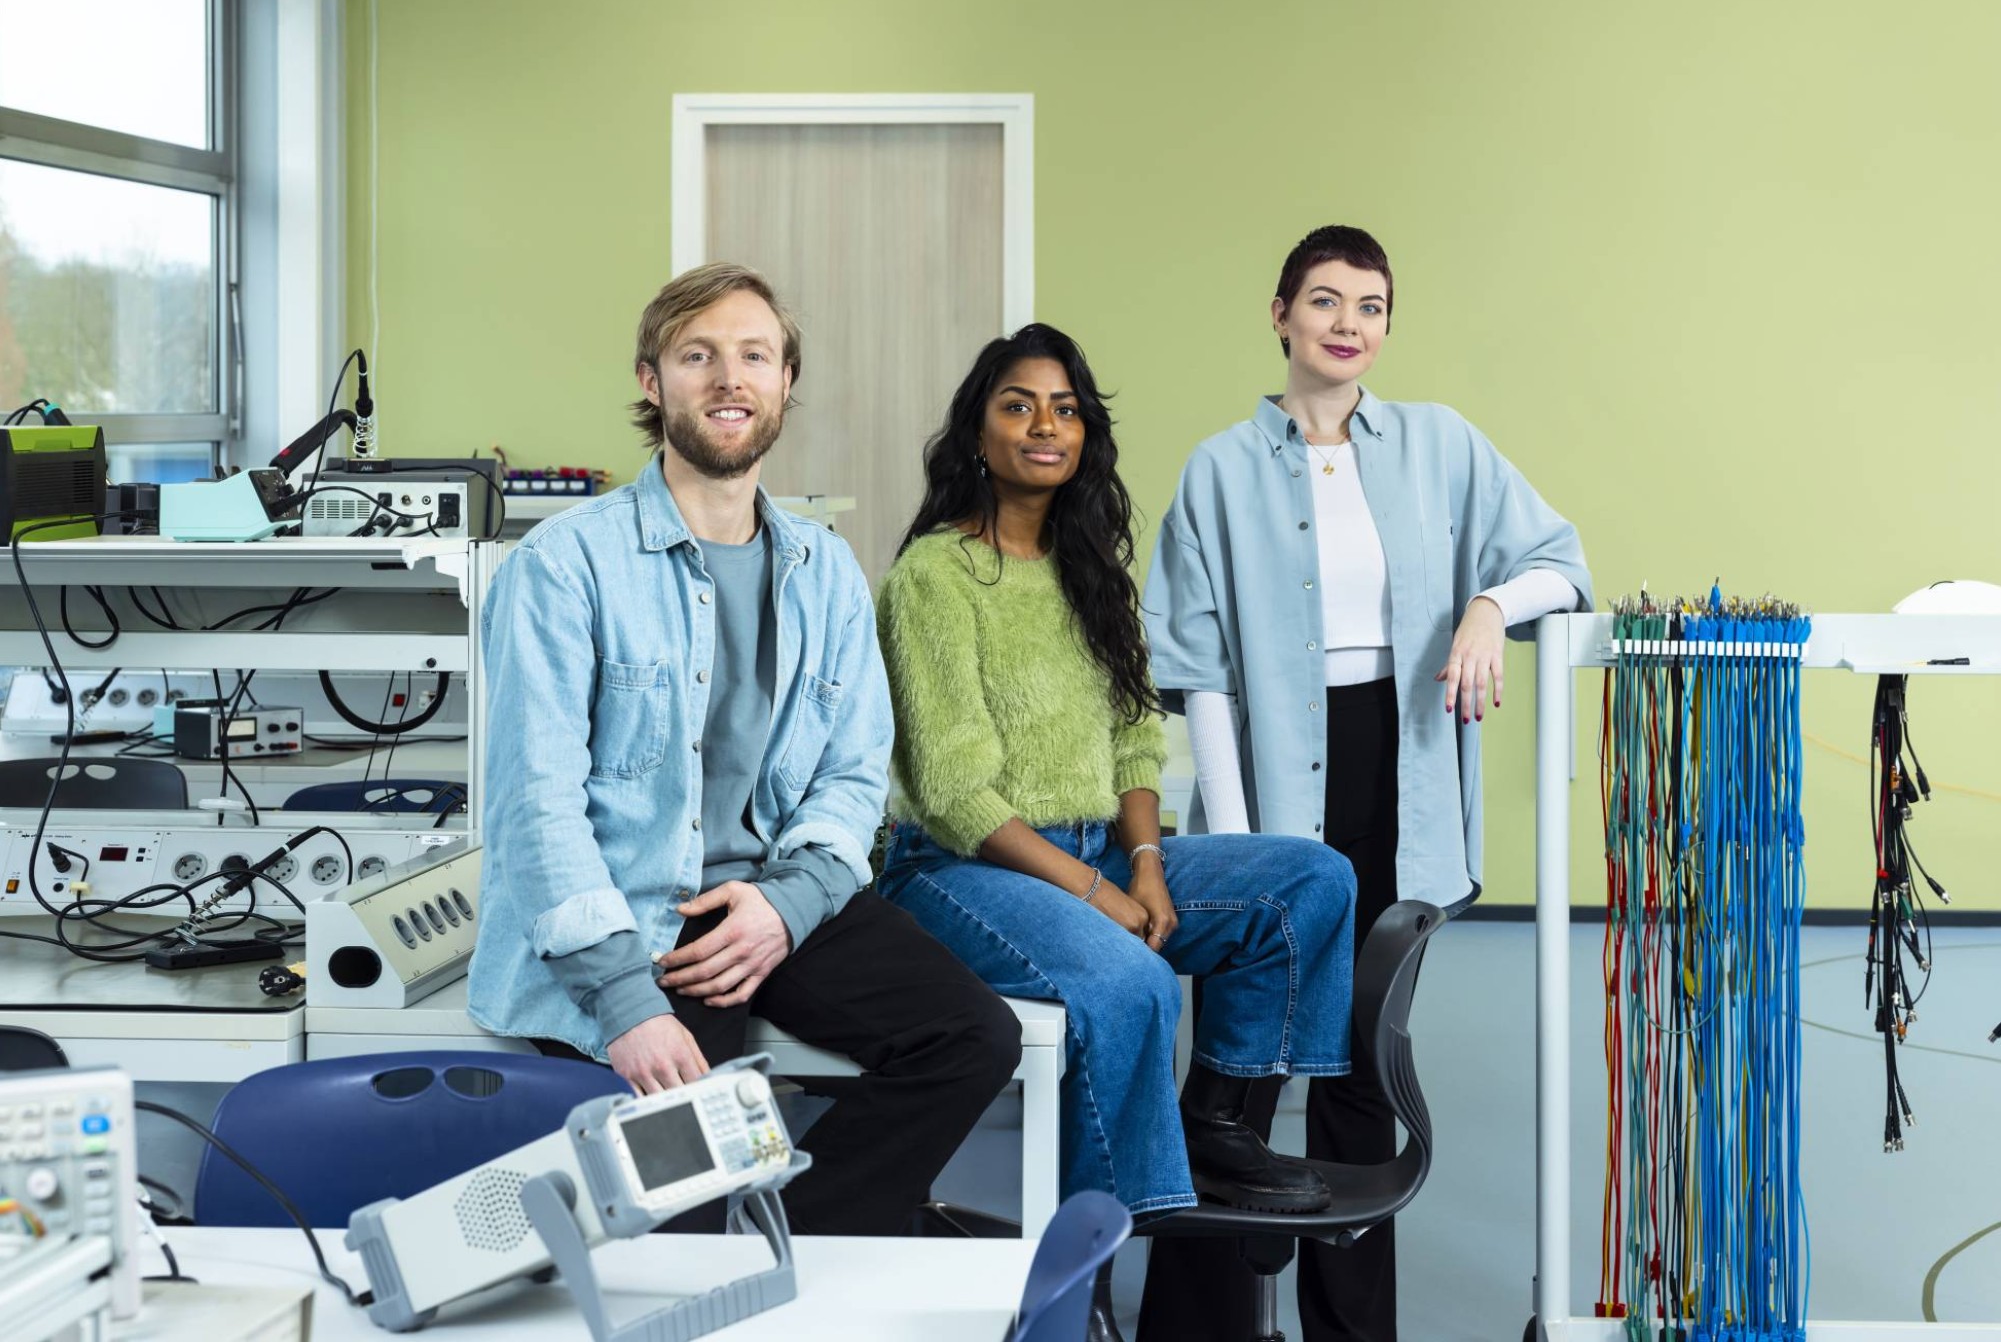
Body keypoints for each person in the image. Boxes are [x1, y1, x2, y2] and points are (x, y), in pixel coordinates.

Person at [468, 261, 1022, 1237]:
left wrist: (786, 905)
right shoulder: (562, 567)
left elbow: (854, 777)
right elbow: (533, 807)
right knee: (678, 1185)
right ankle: (729, 1247)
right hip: (637, 917)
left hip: (768, 897)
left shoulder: (825, 570)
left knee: (973, 1038)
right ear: (652, 380)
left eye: (754, 356)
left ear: (785, 382)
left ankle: (789, 1245)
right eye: (699, 356)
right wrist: (623, 1002)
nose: (730, 379)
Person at [1137, 226, 1593, 1340]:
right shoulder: (1218, 468)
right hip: (1264, 779)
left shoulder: (1443, 447)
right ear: (1282, 312)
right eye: (1327, 301)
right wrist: (1247, 855)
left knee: (1360, 1061)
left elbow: (1562, 564)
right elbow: (1196, 674)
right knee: (1238, 1072)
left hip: (1403, 771)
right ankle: (1209, 1321)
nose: (1349, 324)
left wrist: (1489, 607)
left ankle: (1351, 1330)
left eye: (1372, 307)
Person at [874, 322, 1359, 1333]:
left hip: (1098, 846)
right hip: (960, 869)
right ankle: (1084, 1284)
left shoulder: (1090, 569)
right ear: (977, 432)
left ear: (1087, 434)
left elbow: (1137, 740)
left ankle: (1213, 1125)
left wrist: (1142, 866)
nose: (1044, 426)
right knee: (1129, 979)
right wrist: (1099, 897)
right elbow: (958, 790)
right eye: (1018, 405)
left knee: (1312, 880)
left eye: (1066, 409)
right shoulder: (934, 576)